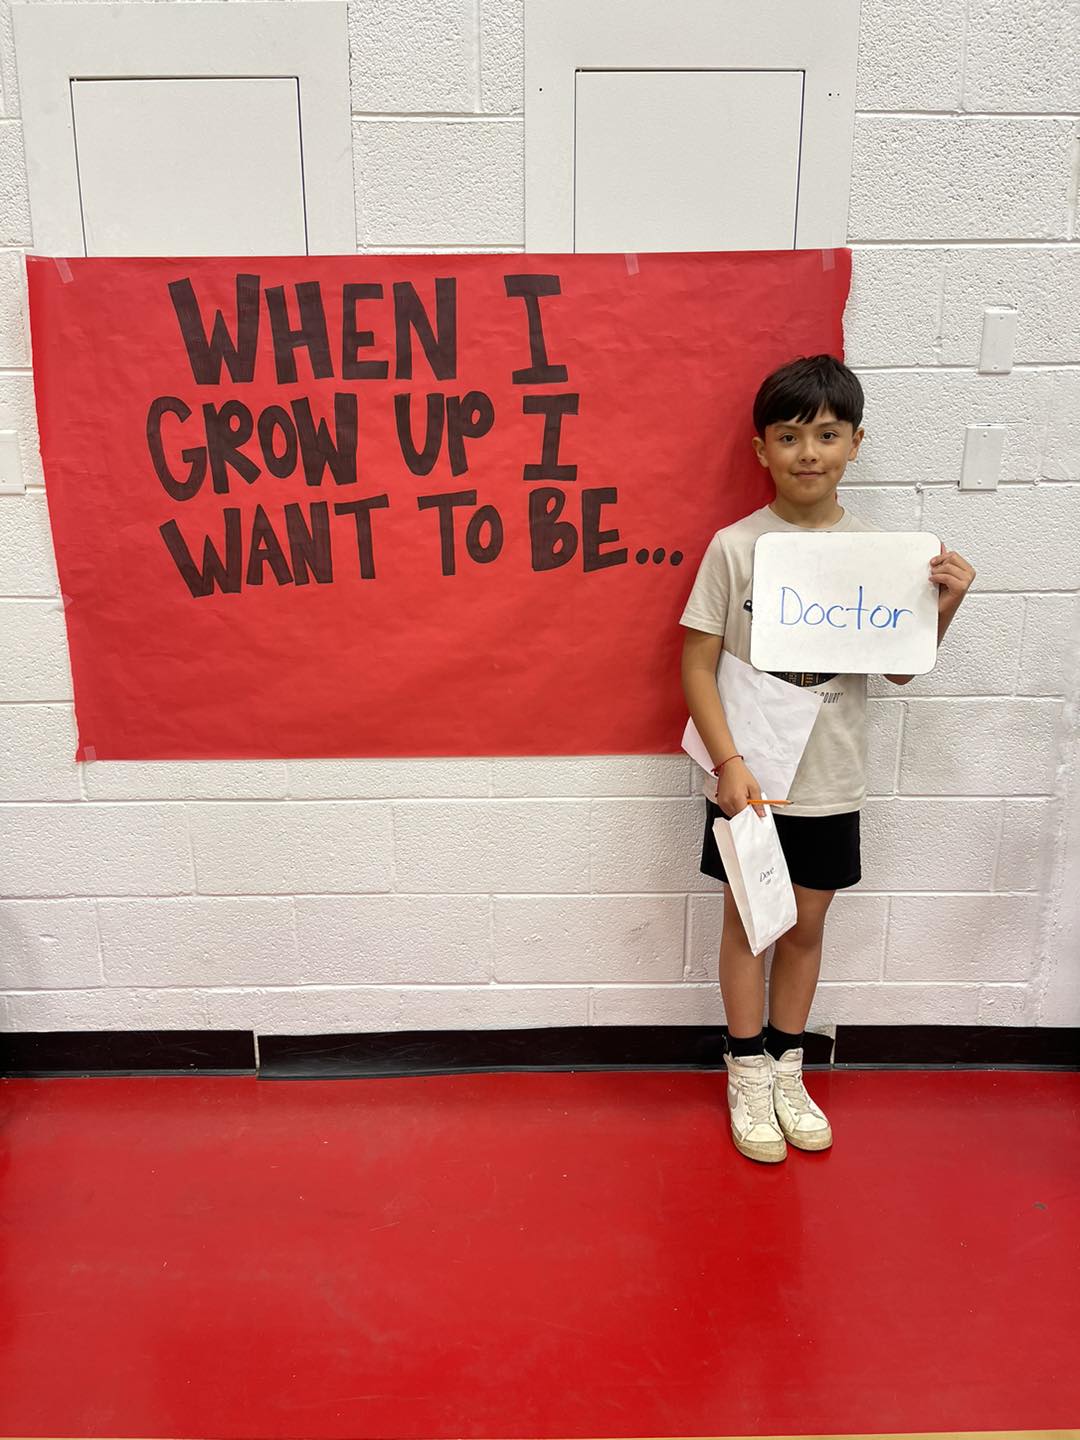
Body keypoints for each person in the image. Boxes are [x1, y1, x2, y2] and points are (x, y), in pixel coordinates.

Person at [679, 354, 975, 1164]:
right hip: (751, 776)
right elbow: (696, 662)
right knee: (751, 922)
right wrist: (727, 763)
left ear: (854, 443)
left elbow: (902, 666)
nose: (808, 452)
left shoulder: (882, 554)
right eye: (789, 436)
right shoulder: (735, 548)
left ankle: (786, 1064)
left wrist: (941, 606)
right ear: (761, 450)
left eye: (827, 434)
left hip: (832, 776)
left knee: (806, 924)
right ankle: (743, 1070)